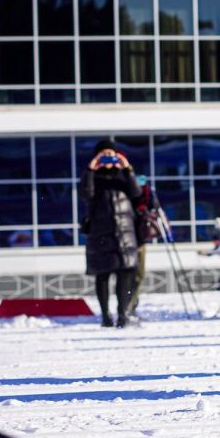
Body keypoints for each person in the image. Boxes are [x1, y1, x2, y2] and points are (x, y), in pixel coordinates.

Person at [80, 140, 141, 328]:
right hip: (101, 233)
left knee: (125, 274)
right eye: (103, 154)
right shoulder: (93, 177)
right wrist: (91, 168)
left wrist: (127, 167)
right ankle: (106, 316)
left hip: (124, 233)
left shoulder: (123, 175)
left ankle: (123, 314)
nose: (107, 158)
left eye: (110, 154)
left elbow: (136, 192)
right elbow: (86, 193)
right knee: (103, 275)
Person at [128, 175, 161, 317]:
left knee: (139, 275)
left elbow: (155, 208)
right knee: (129, 275)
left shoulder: (147, 194)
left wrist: (152, 197)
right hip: (127, 241)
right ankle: (127, 306)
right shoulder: (126, 194)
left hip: (140, 240)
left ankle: (131, 305)